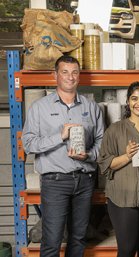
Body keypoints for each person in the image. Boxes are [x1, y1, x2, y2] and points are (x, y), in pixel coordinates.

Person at [22, 55, 104, 257]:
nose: (70, 77)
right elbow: (28, 143)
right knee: (52, 240)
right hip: (55, 181)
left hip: (85, 181)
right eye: (65, 72)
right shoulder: (40, 108)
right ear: (55, 75)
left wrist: (88, 156)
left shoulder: (91, 107)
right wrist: (60, 135)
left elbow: (102, 142)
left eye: (75, 72)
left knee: (78, 238)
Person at [98, 82, 139, 257]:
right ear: (128, 102)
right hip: (122, 198)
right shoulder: (115, 130)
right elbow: (105, 163)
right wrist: (127, 156)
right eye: (134, 99)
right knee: (127, 249)